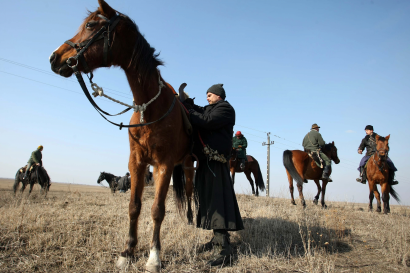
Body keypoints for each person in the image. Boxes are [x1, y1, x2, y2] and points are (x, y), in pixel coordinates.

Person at [183, 83, 244, 267]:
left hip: (216, 163)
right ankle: (217, 239)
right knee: (209, 200)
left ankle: (224, 249)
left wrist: (188, 111)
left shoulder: (225, 109)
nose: (207, 97)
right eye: (207, 95)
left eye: (210, 95)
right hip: (206, 161)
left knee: (217, 200)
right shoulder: (212, 108)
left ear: (219, 96)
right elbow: (202, 111)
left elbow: (206, 121)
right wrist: (187, 103)